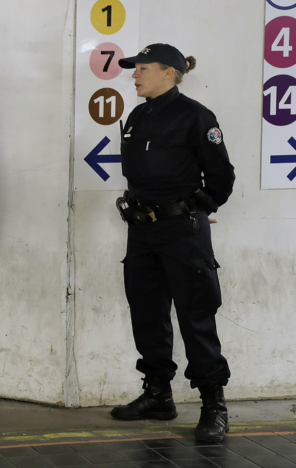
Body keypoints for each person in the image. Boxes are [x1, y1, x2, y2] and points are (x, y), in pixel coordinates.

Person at [111, 43, 235, 443]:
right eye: (135, 69)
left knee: (196, 315)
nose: (134, 75)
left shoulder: (196, 116)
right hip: (142, 231)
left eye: (142, 69)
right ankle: (158, 394)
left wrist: (193, 209)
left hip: (182, 233)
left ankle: (214, 404)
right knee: (146, 311)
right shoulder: (137, 115)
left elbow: (221, 177)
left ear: (169, 72)